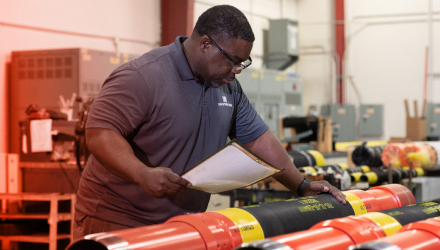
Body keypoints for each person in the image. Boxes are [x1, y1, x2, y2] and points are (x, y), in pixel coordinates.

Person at [73, 4, 347, 240]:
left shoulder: (227, 87)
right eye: (233, 61)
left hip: (181, 224)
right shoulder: (143, 76)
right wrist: (141, 174)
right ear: (205, 44)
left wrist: (301, 185)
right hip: (118, 220)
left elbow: (259, 140)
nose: (236, 71)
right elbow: (100, 134)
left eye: (243, 63)